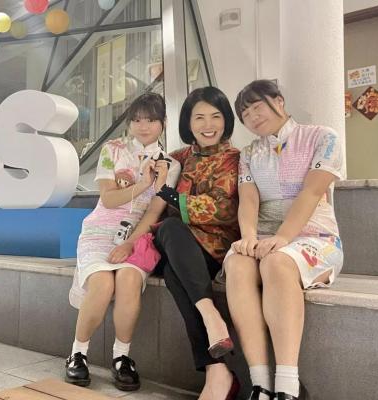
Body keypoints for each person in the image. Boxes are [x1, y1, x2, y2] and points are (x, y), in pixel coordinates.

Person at [223, 80, 344, 400]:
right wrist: (249, 237)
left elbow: (312, 191)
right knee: (237, 264)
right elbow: (248, 200)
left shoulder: (323, 137)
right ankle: (260, 383)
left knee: (277, 262)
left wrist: (283, 237)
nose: (252, 116)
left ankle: (288, 386)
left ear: (278, 101)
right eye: (245, 114)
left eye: (257, 106)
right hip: (264, 236)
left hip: (316, 237)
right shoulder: (249, 153)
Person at [67, 92, 181, 391]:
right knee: (103, 283)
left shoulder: (170, 164)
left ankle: (122, 358)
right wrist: (143, 183)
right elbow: (108, 198)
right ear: (129, 123)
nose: (144, 126)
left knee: (129, 280)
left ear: (163, 122)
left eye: (151, 120)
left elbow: (154, 211)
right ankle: (78, 353)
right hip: (98, 231)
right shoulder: (112, 149)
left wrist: (130, 243)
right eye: (137, 120)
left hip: (139, 236)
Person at [146, 86, 242, 400]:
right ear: (188, 122)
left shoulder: (234, 159)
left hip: (214, 248)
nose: (207, 124)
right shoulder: (178, 158)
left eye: (215, 116)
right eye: (199, 117)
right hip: (177, 241)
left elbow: (225, 209)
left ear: (226, 120)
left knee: (174, 271)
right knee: (171, 229)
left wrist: (169, 194)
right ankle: (210, 315)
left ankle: (217, 372)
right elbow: (146, 174)